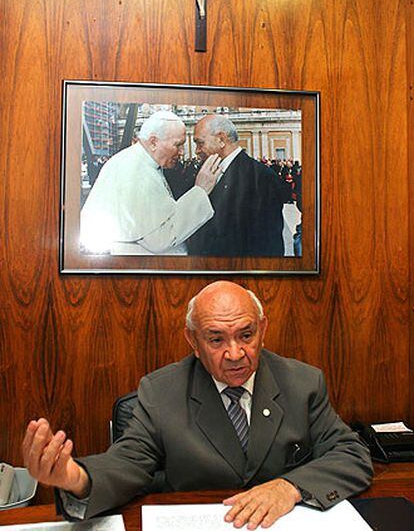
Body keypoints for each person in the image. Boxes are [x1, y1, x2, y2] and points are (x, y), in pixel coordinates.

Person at [22, 281, 373, 529]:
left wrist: (290, 487)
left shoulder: (302, 382)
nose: (235, 354)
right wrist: (76, 478)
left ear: (263, 329)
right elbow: (128, 463)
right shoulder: (161, 392)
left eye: (246, 336)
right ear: (193, 339)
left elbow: (351, 456)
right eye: (216, 339)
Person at [80, 111, 221, 255]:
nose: (182, 152)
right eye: (178, 145)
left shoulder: (138, 161)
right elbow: (160, 239)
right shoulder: (135, 171)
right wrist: (201, 190)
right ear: (153, 142)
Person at [187, 114, 291, 257]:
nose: (197, 150)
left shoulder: (261, 178)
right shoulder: (206, 172)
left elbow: (269, 246)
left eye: (200, 143)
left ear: (221, 139)